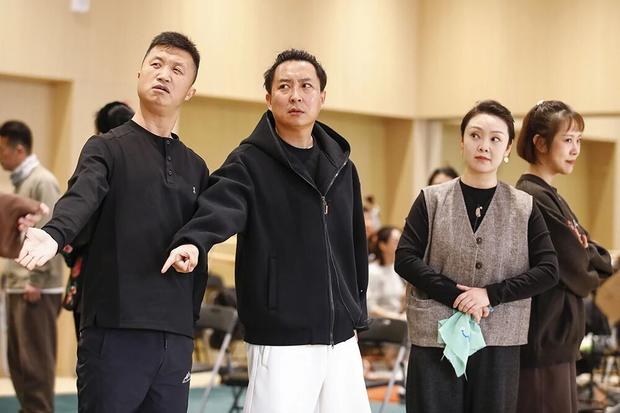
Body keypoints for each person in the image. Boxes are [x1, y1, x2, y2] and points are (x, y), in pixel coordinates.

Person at [162, 49, 371, 413]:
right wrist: (193, 242)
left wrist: (356, 311)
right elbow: (219, 207)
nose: (295, 95)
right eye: (284, 86)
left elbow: (354, 245)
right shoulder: (249, 162)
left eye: (306, 86)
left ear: (322, 97)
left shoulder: (341, 166)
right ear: (268, 98)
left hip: (341, 336)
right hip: (280, 337)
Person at [16, 32, 208, 412]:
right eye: (156, 64)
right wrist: (55, 234)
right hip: (115, 330)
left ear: (190, 91)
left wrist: (188, 322)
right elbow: (82, 195)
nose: (164, 74)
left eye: (177, 70)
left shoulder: (197, 167)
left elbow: (204, 233)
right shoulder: (106, 147)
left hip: (174, 337)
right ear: (139, 73)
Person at [395, 100, 559, 413]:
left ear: (507, 148)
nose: (484, 145)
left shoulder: (525, 206)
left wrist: (490, 294)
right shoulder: (431, 199)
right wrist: (457, 295)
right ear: (462, 141)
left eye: (495, 139)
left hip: (499, 340)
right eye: (475, 135)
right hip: (435, 336)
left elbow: (548, 270)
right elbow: (405, 258)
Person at [515, 100, 613, 413]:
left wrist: (587, 252)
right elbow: (579, 272)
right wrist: (587, 253)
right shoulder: (532, 196)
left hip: (559, 341)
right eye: (567, 140)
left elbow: (598, 258)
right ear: (540, 143)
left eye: (579, 140)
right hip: (542, 338)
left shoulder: (551, 195)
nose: (575, 150)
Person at [0, 120, 63, 413]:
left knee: (35, 367)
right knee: (19, 365)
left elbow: (51, 232)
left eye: (3, 150)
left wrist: (37, 279)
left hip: (36, 289)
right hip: (18, 285)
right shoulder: (20, 182)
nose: (1, 156)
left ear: (19, 149)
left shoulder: (42, 181)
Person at [61, 101, 135, 338]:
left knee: (92, 347)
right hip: (136, 282)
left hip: (95, 276)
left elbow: (78, 220)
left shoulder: (98, 159)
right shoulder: (147, 165)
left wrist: (69, 247)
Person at [367, 226, 405, 320]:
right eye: (396, 241)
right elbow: (370, 307)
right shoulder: (372, 271)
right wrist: (398, 317)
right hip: (379, 324)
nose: (401, 245)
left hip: (397, 321)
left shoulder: (398, 269)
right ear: (383, 245)